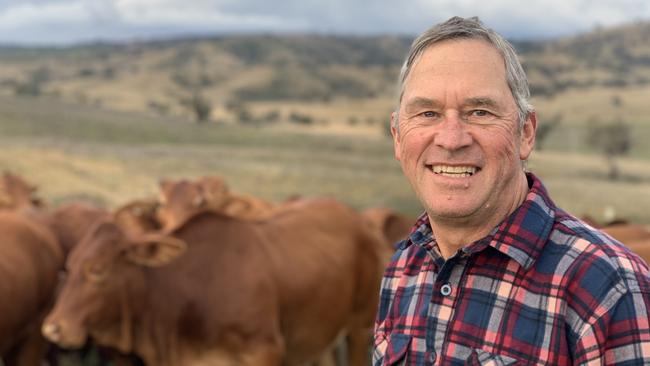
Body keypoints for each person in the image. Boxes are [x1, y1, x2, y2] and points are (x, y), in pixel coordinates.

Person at [373, 16, 650, 365]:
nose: (451, 139)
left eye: (480, 112)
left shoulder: (607, 287)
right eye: (428, 113)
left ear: (526, 133)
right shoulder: (402, 269)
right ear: (398, 138)